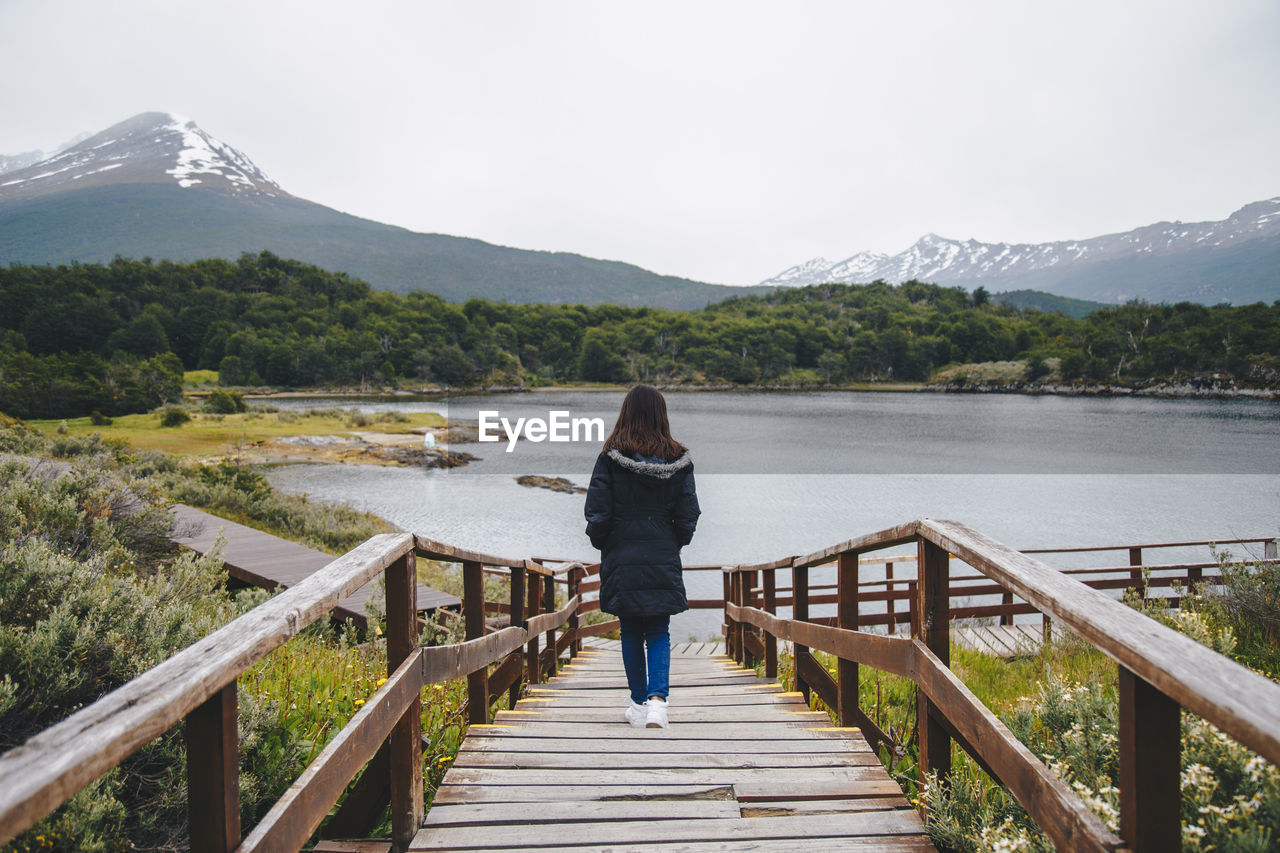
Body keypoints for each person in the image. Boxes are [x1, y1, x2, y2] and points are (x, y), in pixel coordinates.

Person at [584, 385, 700, 729]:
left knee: (631, 629)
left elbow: (597, 513)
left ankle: (637, 703)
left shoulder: (610, 458)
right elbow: (689, 515)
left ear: (626, 413)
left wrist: (605, 543)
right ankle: (658, 704)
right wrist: (671, 542)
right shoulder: (680, 461)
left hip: (622, 555)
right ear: (661, 415)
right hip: (662, 553)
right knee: (659, 631)